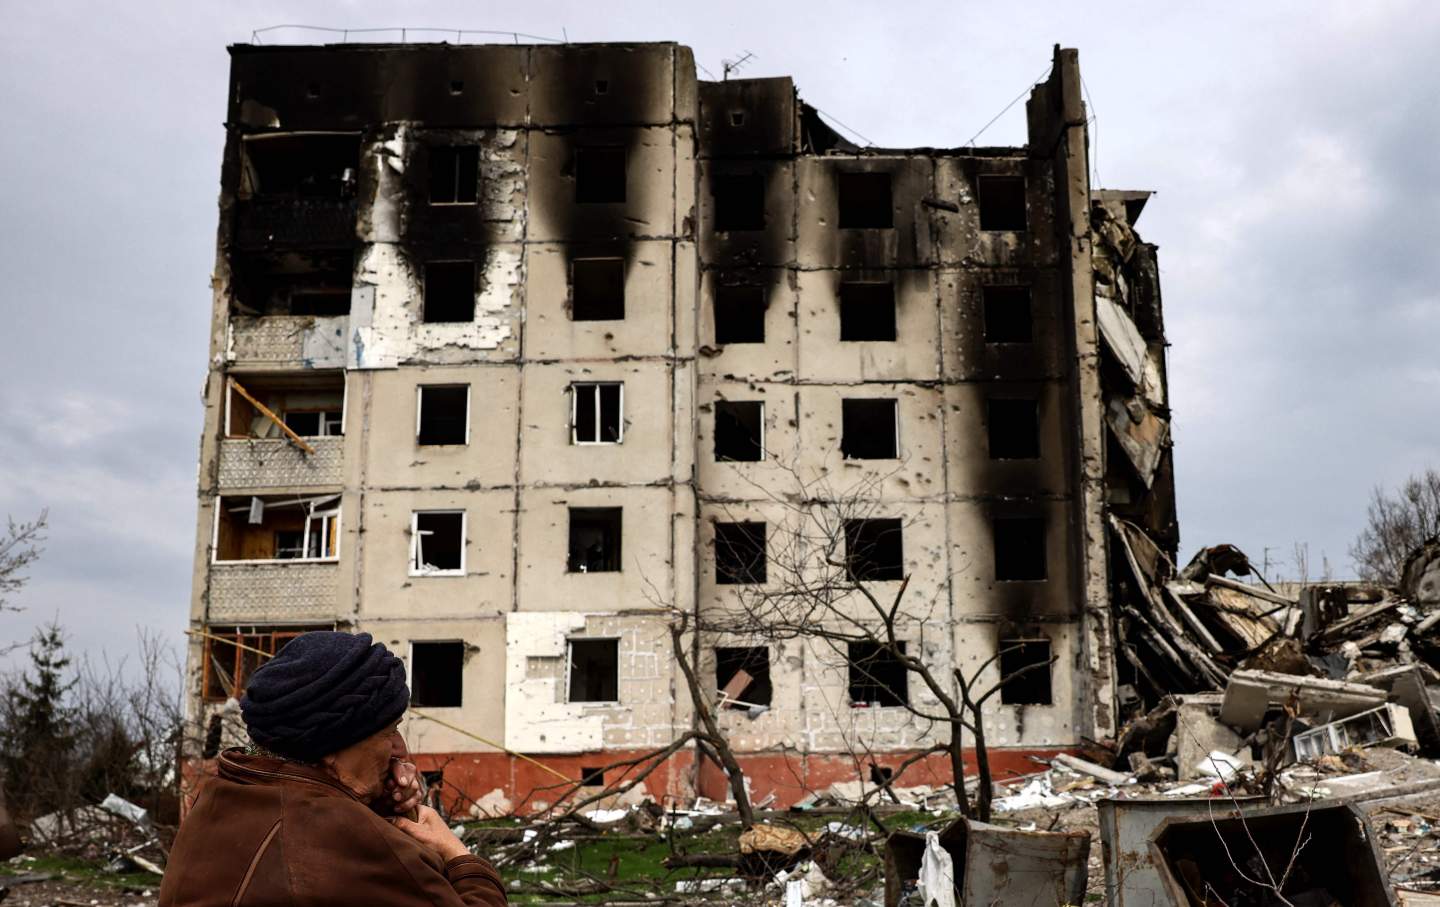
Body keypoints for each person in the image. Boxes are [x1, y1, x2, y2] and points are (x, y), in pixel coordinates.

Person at [160, 631, 506, 907]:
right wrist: (457, 854)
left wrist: (377, 808)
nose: (400, 749)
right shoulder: (339, 832)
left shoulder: (222, 795)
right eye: (388, 731)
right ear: (331, 747)